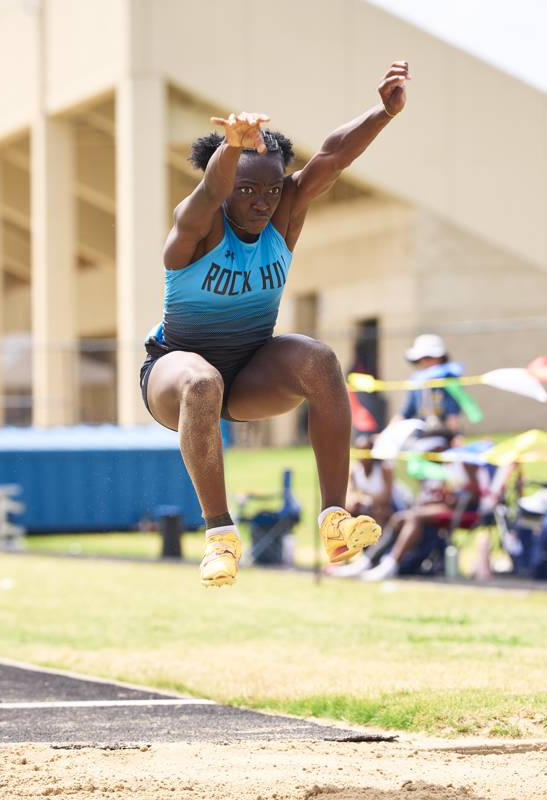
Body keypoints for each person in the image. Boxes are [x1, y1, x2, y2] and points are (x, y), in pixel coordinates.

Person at [142, 61, 411, 586]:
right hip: (174, 374)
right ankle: (220, 535)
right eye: (246, 191)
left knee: (319, 359)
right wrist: (233, 147)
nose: (261, 202)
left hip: (249, 373)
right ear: (226, 187)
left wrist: (383, 112)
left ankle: (335, 517)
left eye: (270, 190)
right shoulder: (196, 226)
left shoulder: (284, 212)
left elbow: (331, 157)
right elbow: (210, 192)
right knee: (201, 380)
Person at [395, 334, 464, 437]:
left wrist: (455, 436)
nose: (426, 362)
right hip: (420, 433)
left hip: (443, 434)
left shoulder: (448, 380)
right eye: (423, 358)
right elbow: (405, 412)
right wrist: (387, 434)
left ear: (440, 358)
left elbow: (452, 414)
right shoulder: (415, 381)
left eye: (430, 358)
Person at [346, 434, 397, 526]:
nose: (363, 457)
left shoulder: (384, 468)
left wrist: (365, 499)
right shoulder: (354, 470)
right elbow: (349, 495)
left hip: (389, 507)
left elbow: (387, 497)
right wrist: (357, 501)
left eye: (365, 452)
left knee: (379, 512)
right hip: (365, 507)